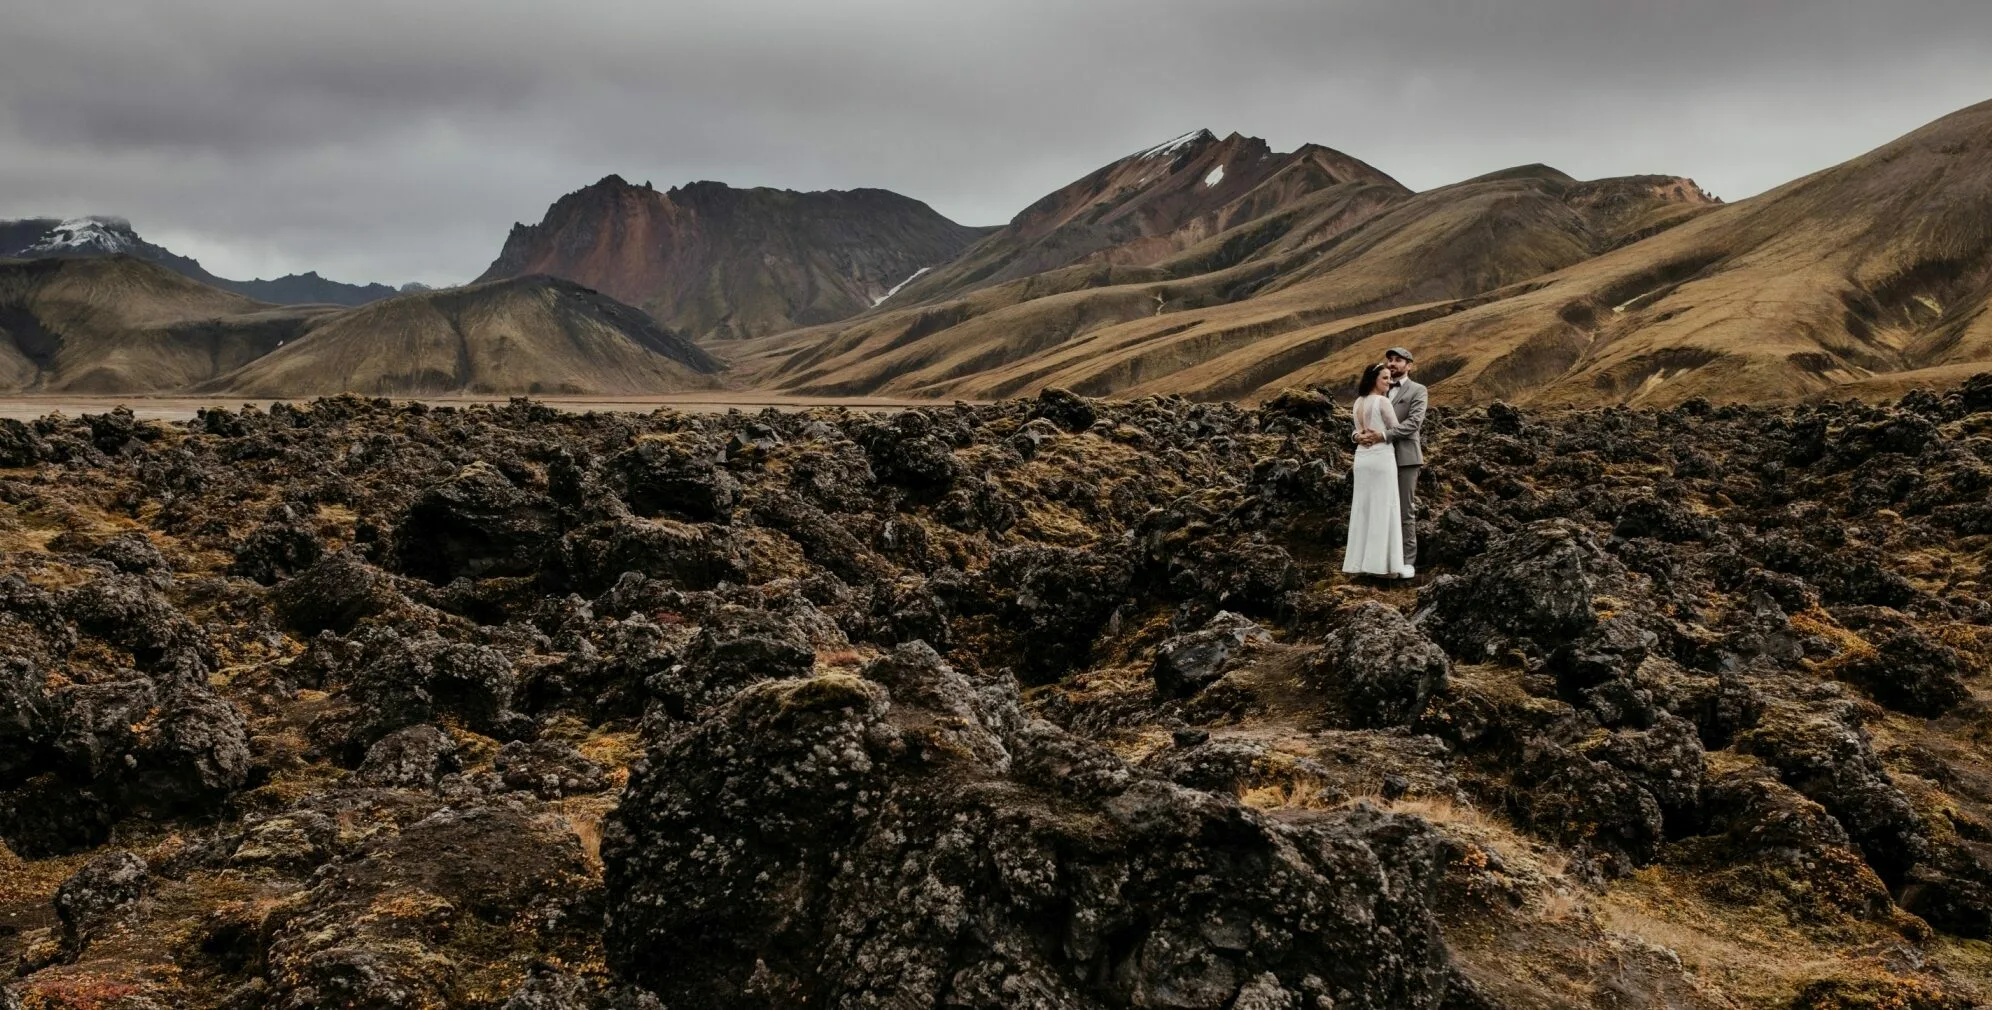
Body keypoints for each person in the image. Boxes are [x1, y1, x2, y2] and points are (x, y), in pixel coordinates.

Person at [1356, 346, 1425, 578]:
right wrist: (1356, 436)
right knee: (1380, 509)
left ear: (1409, 365)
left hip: (1405, 457)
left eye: (1398, 360)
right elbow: (1361, 422)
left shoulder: (1418, 390)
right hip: (1379, 459)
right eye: (1390, 360)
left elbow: (1414, 423)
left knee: (1405, 510)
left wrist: (1384, 436)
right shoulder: (1379, 390)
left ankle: (1407, 562)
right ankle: (1383, 560)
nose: (1393, 364)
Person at [1342, 362, 1404, 577]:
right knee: (1384, 507)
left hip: (1362, 458)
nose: (1389, 382)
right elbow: (1397, 430)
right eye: (1385, 378)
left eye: (1390, 378)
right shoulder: (1382, 402)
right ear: (1373, 380)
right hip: (1380, 457)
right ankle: (1382, 567)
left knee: (1363, 508)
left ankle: (1357, 564)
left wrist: (1357, 436)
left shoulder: (1358, 402)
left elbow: (1356, 431)